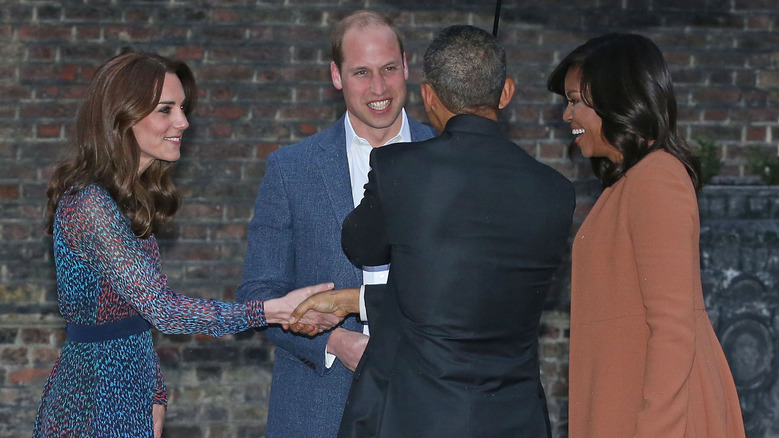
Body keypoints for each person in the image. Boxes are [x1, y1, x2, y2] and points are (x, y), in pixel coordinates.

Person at [33, 50, 336, 438]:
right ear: (121, 117)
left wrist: (155, 394)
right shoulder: (90, 204)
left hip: (128, 393)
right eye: (166, 109)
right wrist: (269, 311)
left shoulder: (126, 200)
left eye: (182, 107)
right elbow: (164, 311)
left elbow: (135, 318)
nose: (183, 121)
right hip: (93, 401)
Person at [292, 24, 576, 438]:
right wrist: (357, 300)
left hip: (419, 416)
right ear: (507, 92)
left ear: (428, 96)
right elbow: (477, 299)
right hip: (515, 420)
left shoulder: (399, 169)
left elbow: (361, 246)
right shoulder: (556, 192)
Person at [234, 10, 436, 438]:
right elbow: (258, 293)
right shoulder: (292, 169)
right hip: (317, 407)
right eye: (361, 72)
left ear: (406, 64)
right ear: (336, 76)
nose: (378, 88)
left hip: (433, 404)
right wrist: (333, 343)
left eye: (388, 69)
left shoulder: (448, 155)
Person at [546, 33, 745, 437]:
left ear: (615, 100)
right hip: (627, 405)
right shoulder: (631, 183)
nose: (567, 116)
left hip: (655, 418)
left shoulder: (656, 179)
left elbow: (673, 328)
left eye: (574, 101)